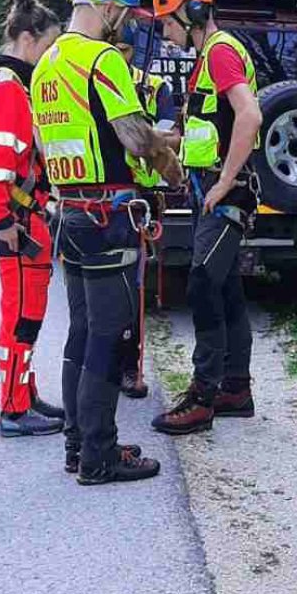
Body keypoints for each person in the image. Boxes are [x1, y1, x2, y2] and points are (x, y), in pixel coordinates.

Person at [30, 0, 178, 485]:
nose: (127, 22)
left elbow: (46, 145)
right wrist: (172, 166)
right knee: (110, 338)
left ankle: (77, 445)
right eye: (124, 11)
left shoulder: (46, 64)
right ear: (108, 6)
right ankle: (100, 454)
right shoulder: (102, 60)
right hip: (109, 214)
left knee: (82, 331)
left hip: (69, 211)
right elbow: (135, 137)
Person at [149, 0, 263, 437]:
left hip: (224, 192)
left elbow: (250, 114)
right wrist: (159, 139)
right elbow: (207, 130)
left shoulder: (219, 52)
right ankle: (236, 388)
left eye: (167, 22)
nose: (165, 32)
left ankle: (203, 395)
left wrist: (226, 181)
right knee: (225, 287)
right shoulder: (206, 59)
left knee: (199, 282)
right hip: (209, 187)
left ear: (190, 11)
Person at [0, 0, 65, 437]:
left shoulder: (9, 85)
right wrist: (3, 221)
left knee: (25, 314)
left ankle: (24, 393)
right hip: (20, 224)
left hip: (26, 219)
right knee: (22, 317)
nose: (50, 56)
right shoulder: (10, 89)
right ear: (28, 39)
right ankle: (14, 408)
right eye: (49, 46)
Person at [114, 39, 179, 400]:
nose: (118, 53)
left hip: (147, 196)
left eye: (124, 47)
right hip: (112, 193)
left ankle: (130, 367)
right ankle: (109, 362)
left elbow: (170, 136)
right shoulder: (99, 81)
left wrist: (143, 137)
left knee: (137, 285)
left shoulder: (155, 87)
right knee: (115, 287)